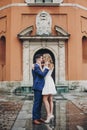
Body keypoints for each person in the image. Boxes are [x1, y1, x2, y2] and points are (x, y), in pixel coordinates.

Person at [32, 54, 49, 125]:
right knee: (37, 103)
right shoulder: (36, 66)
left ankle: (38, 117)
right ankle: (35, 119)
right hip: (38, 86)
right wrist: (47, 68)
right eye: (41, 58)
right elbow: (42, 75)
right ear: (38, 59)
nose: (42, 60)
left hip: (40, 86)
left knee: (39, 103)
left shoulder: (37, 66)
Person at [42, 54, 57, 123]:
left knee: (45, 99)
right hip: (50, 80)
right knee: (50, 99)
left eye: (44, 57)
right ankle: (51, 113)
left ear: (46, 58)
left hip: (47, 81)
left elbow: (43, 74)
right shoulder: (52, 64)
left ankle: (48, 115)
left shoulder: (46, 64)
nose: (42, 58)